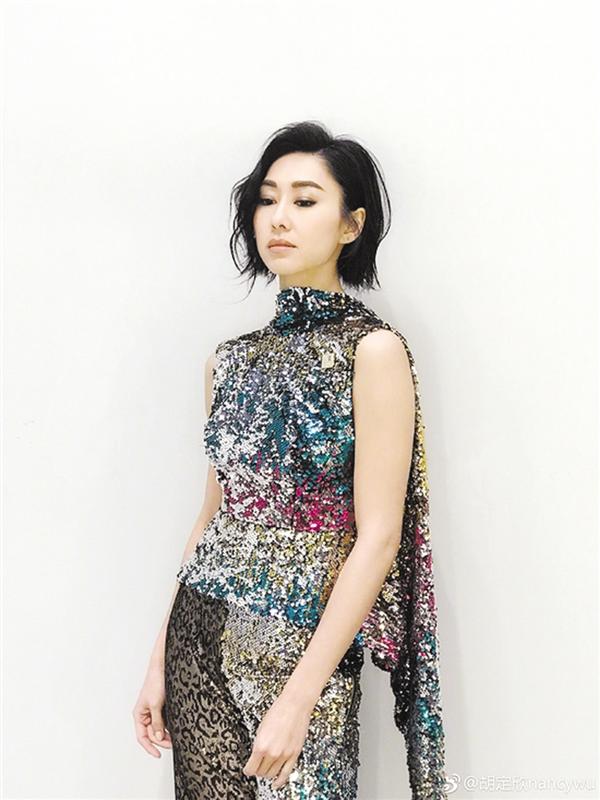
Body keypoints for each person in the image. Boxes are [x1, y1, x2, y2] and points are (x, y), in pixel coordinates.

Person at [132, 121, 447, 800]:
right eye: (267, 199)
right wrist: (158, 658)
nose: (279, 217)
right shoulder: (229, 360)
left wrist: (300, 699)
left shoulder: (373, 351)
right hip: (198, 634)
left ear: (351, 225)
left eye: (305, 200)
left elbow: (379, 537)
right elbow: (211, 518)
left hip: (300, 651)